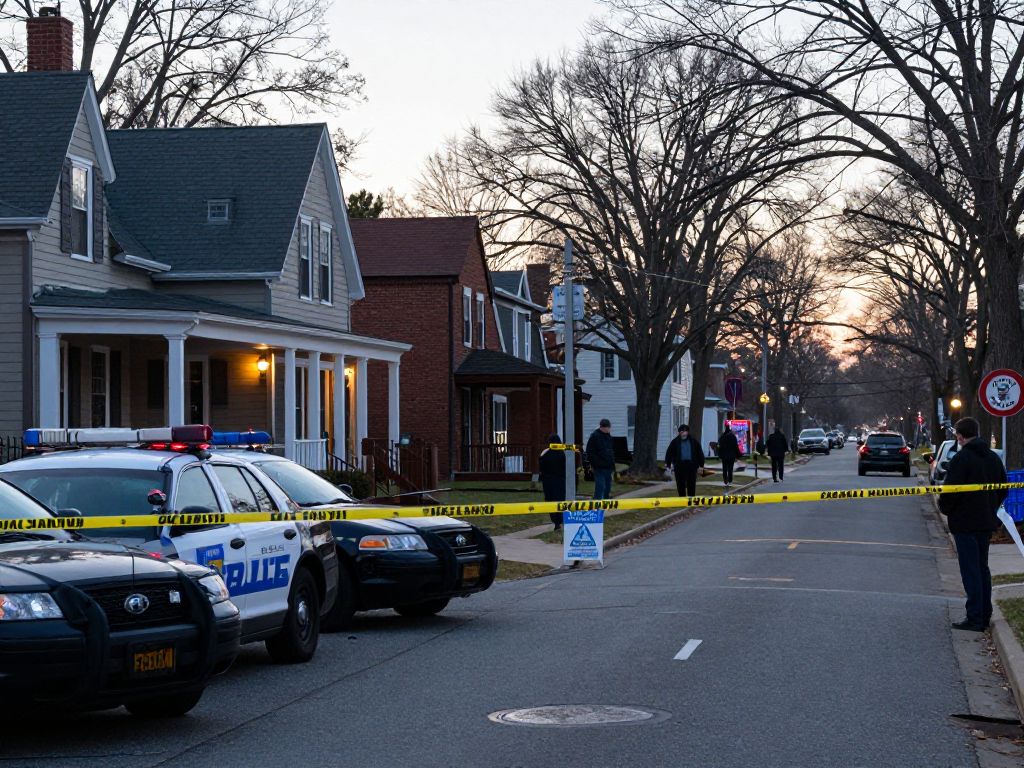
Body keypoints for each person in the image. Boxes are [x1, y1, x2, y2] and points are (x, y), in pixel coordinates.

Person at [938, 417, 1008, 631]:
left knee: (970, 571)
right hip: (986, 522)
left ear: (959, 436)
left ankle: (975, 617)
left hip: (965, 523)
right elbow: (1004, 488)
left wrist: (946, 509)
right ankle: (984, 614)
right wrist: (991, 507)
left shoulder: (961, 459)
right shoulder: (993, 458)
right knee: (982, 568)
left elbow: (950, 491)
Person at [665, 424, 705, 497]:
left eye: (685, 431)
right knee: (680, 484)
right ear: (679, 432)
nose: (683, 433)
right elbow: (669, 453)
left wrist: (701, 465)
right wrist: (668, 465)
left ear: (688, 432)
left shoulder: (693, 441)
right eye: (681, 431)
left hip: (691, 465)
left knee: (691, 483)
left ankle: (691, 498)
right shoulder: (675, 442)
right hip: (679, 466)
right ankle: (682, 499)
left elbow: (699, 453)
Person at [539, 433, 567, 530]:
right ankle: (559, 522)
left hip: (548, 482)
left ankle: (555, 521)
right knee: (559, 501)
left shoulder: (545, 453)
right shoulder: (562, 454)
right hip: (560, 481)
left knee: (550, 501)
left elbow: (541, 466)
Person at [586, 418, 615, 500]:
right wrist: (596, 463)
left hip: (608, 466)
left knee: (608, 487)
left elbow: (610, 451)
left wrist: (612, 464)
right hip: (599, 467)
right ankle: (597, 503)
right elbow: (590, 451)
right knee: (600, 486)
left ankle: (606, 502)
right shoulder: (595, 436)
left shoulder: (609, 437)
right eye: (608, 427)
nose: (609, 429)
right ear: (603, 427)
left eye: (609, 427)